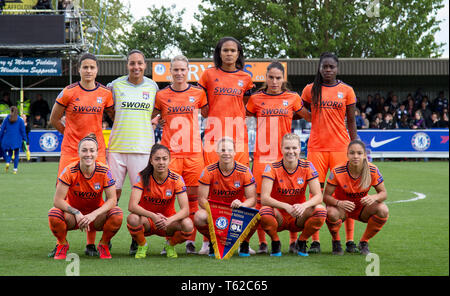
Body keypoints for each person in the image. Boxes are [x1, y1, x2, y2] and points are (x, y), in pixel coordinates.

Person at [49, 52, 114, 256]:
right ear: (79, 69)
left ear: (97, 70)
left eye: (92, 67)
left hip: (97, 153)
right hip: (71, 151)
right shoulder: (68, 92)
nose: (88, 70)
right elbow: (54, 119)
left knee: (96, 196)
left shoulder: (105, 93)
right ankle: (62, 242)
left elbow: (115, 118)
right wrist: (69, 135)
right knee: (64, 194)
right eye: (84, 67)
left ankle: (91, 243)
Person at [245, 61, 311, 254]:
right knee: (260, 201)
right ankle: (263, 242)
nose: (274, 81)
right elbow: (242, 120)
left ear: (284, 79)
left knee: (291, 196)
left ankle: (292, 241)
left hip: (286, 158)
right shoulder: (256, 99)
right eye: (271, 77)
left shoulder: (292, 98)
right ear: (265, 78)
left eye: (278, 78)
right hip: (262, 158)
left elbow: (306, 115)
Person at [300, 52, 358, 254]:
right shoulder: (309, 90)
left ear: (337, 68)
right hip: (316, 148)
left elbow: (351, 121)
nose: (328, 70)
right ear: (319, 68)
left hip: (341, 148)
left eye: (331, 67)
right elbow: (303, 111)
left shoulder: (347, 90)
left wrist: (355, 144)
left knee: (345, 194)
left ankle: (348, 240)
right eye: (324, 66)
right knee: (315, 193)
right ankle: (315, 241)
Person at [105, 49, 160, 255]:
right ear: (127, 65)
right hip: (117, 149)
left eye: (139, 63)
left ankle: (137, 239)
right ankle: (106, 239)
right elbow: (110, 109)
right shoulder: (115, 85)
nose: (136, 67)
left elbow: (155, 111)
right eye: (132, 63)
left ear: (145, 65)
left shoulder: (152, 86)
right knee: (113, 196)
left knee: (141, 198)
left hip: (143, 149)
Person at [153, 55, 208, 254]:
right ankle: (170, 242)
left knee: (195, 199)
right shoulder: (161, 95)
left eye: (182, 70)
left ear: (188, 71)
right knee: (169, 198)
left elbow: (209, 113)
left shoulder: (198, 93)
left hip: (194, 153)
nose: (179, 73)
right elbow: (152, 117)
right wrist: (157, 121)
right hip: (170, 155)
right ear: (170, 72)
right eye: (175, 70)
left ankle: (192, 242)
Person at [48, 133, 123, 259]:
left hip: (96, 218)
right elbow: (57, 200)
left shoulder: (104, 170)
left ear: (97, 153)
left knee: (117, 214)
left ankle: (103, 244)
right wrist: (76, 213)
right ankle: (62, 244)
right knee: (54, 213)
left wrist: (93, 214)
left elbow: (112, 200)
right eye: (84, 150)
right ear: (78, 153)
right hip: (73, 217)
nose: (88, 154)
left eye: (92, 150)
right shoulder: (69, 171)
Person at [259, 133, 326, 256]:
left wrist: (304, 206)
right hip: (279, 217)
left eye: (294, 148)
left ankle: (301, 241)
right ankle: (275, 242)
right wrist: (285, 206)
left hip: (298, 215)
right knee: (264, 211)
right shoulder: (272, 167)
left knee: (320, 210)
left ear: (300, 149)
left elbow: (318, 196)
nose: (291, 151)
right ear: (281, 148)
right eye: (287, 148)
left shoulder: (307, 166)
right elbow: (264, 198)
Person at [126, 144, 194, 259]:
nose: (161, 162)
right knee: (132, 218)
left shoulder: (176, 179)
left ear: (169, 160)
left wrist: (169, 220)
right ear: (151, 161)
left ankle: (170, 245)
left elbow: (185, 210)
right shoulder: (142, 177)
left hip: (167, 222)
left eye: (164, 159)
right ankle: (142, 245)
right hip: (147, 221)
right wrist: (152, 216)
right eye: (157, 159)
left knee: (188, 224)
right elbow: (132, 206)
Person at [323, 140, 389, 255]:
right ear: (347, 154)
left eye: (359, 153)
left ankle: (364, 242)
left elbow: (384, 194)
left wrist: (374, 197)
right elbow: (326, 197)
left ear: (364, 155)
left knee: (383, 210)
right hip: (342, 209)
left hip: (361, 209)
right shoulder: (338, 171)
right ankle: (336, 242)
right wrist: (339, 203)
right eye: (352, 153)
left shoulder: (372, 170)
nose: (355, 156)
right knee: (330, 212)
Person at [194, 137, 257, 256]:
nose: (226, 153)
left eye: (229, 150)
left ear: (234, 152)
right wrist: (215, 209)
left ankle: (244, 243)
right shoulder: (208, 171)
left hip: (237, 211)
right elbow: (201, 199)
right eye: (223, 150)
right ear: (217, 152)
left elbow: (252, 199)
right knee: (199, 217)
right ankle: (214, 241)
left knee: (255, 214)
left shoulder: (244, 171)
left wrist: (242, 205)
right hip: (215, 212)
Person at [198, 37, 254, 168]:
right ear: (219, 52)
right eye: (225, 50)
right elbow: (197, 97)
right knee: (211, 175)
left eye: (233, 50)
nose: (229, 53)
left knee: (240, 176)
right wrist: (204, 109)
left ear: (238, 53)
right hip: (214, 133)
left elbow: (246, 103)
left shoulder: (245, 78)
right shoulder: (208, 74)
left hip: (237, 134)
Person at [0, 106, 27, 174]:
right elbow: (23, 130)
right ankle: (15, 169)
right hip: (17, 139)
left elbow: (2, 129)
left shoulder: (7, 119)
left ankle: (8, 162)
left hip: (8, 139)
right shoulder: (20, 120)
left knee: (9, 153)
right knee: (16, 154)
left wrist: (1, 137)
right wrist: (25, 139)